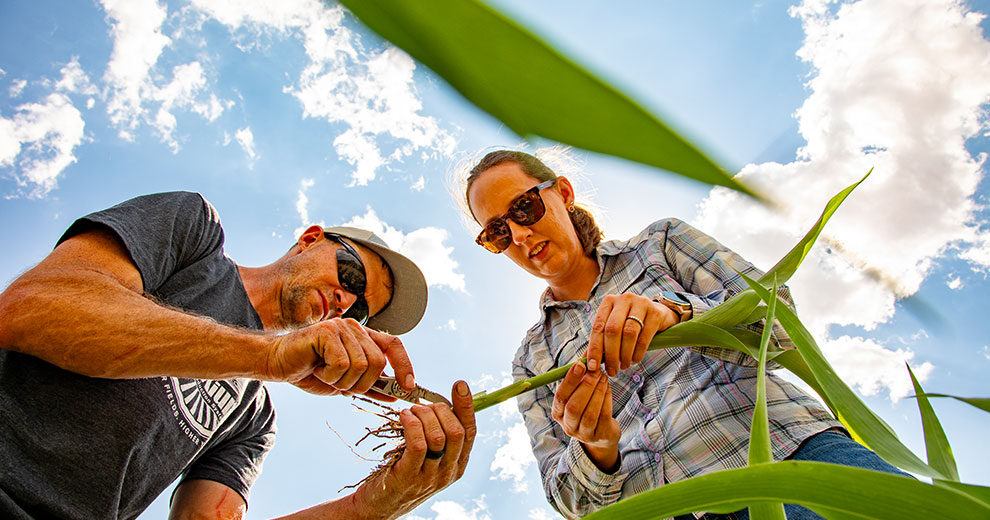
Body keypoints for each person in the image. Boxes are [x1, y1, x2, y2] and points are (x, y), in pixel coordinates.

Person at [461, 150, 907, 520]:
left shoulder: (661, 243)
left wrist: (674, 314)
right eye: (497, 232)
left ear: (563, 193)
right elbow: (568, 501)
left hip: (788, 460)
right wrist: (596, 446)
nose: (520, 233)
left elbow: (781, 322)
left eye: (524, 208)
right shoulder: (531, 359)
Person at [0, 191, 476, 520]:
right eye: (352, 275)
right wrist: (268, 355)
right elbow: (30, 309)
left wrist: (372, 506)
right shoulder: (194, 236)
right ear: (310, 239)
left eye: (365, 309)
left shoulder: (253, 421)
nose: (350, 302)